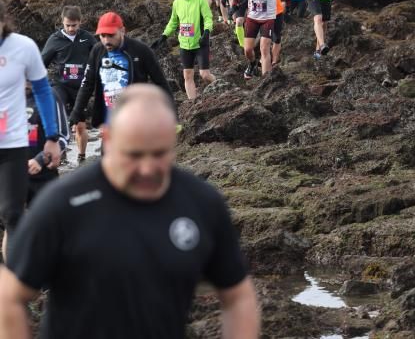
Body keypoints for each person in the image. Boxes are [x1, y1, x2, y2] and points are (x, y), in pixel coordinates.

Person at [0, 84, 260, 339]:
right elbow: (10, 297)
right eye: (134, 155)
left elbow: (238, 295)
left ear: (173, 138)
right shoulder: (63, 204)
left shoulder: (201, 203)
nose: (147, 168)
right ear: (107, 137)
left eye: (159, 153)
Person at [0, 0, 61, 261]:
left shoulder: (24, 47)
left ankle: (15, 285)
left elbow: (43, 91)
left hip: (13, 144)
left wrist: (52, 137)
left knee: (12, 214)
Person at [69, 11, 173, 129]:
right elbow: (87, 83)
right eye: (102, 36)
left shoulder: (141, 50)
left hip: (137, 119)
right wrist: (76, 111)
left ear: (122, 31)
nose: (106, 40)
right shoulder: (97, 51)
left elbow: (161, 83)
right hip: (108, 122)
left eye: (111, 35)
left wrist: (171, 116)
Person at [41, 5, 96, 164]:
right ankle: (60, 154)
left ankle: (82, 157)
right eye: (68, 25)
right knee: (60, 120)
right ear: (62, 22)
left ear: (80, 22)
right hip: (61, 86)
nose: (71, 28)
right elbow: (41, 63)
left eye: (74, 25)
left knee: (80, 126)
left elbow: (99, 56)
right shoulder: (55, 39)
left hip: (81, 87)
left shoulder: (87, 38)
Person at [155, 0, 215, 100]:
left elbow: (208, 18)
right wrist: (164, 36)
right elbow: (173, 22)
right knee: (187, 76)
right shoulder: (177, 2)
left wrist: (207, 32)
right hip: (184, 44)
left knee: (204, 75)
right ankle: (193, 103)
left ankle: (221, 87)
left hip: (200, 43)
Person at [231, 0, 283, 79]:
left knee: (264, 49)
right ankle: (253, 64)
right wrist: (234, 5)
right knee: (248, 50)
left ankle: (266, 80)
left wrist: (286, 1)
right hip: (252, 18)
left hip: (268, 18)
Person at [26, 85, 69, 204]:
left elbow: (63, 136)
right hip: (11, 173)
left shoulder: (48, 95)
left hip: (41, 174)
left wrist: (40, 159)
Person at [265, 0, 287, 67]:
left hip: (278, 11)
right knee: (266, 37)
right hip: (265, 13)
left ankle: (274, 60)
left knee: (277, 37)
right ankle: (264, 60)